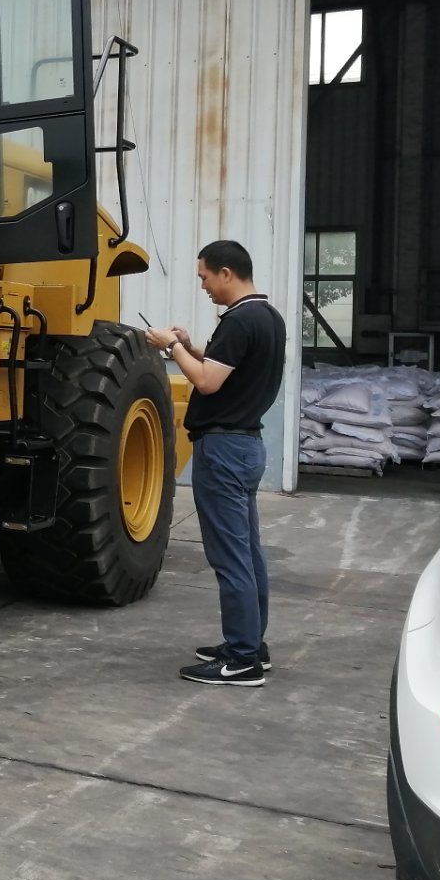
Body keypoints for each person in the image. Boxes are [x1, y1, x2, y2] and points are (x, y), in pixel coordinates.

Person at [145, 240, 287, 687]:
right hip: (246, 446)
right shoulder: (268, 318)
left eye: (205, 276)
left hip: (223, 451)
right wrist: (191, 345)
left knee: (230, 558)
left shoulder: (240, 320)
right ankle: (252, 646)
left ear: (227, 273)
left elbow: (207, 383)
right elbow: (228, 368)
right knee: (247, 552)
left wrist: (171, 348)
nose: (203, 285)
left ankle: (242, 659)